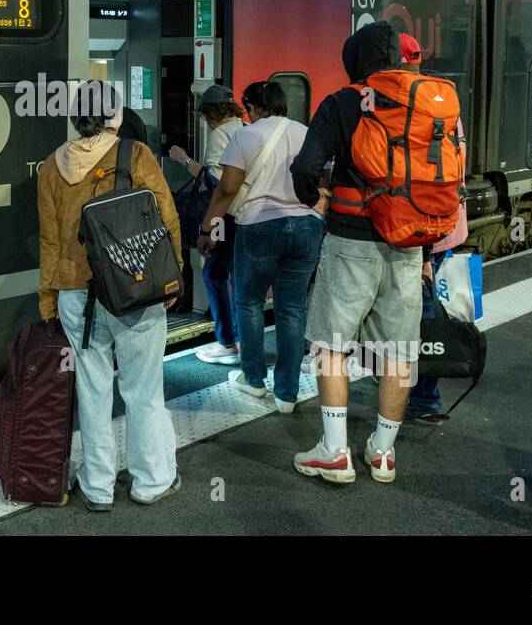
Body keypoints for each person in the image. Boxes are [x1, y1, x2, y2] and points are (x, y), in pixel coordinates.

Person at [37, 80, 183, 511]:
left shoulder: (50, 167)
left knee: (92, 391)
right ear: (113, 116)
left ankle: (98, 485)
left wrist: (48, 302)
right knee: (142, 390)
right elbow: (166, 216)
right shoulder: (134, 154)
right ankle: (151, 480)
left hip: (74, 294)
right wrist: (170, 280)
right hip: (134, 287)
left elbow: (48, 241)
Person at [289, 21, 420, 483]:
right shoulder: (424, 100)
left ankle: (335, 450)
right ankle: (383, 453)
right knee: (400, 350)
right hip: (408, 244)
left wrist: (315, 199)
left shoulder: (343, 103)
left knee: (331, 344)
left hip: (351, 241)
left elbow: (306, 166)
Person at [197, 81, 324, 413]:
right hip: (305, 227)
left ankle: (253, 380)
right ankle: (287, 393)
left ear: (253, 107)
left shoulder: (245, 136)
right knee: (292, 309)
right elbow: (324, 178)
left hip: (259, 226)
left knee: (250, 303)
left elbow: (226, 190)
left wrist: (207, 227)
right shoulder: (304, 132)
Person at [398, 32, 469, 425]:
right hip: (446, 226)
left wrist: (423, 253)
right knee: (425, 314)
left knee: (420, 318)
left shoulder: (406, 105)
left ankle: (424, 399)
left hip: (419, 233)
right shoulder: (444, 100)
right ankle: (416, 393)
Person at [168, 85, 246, 365]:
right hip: (247, 218)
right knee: (238, 279)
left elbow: (217, 182)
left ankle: (228, 341)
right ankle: (241, 341)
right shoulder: (246, 128)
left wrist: (184, 160)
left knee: (213, 274)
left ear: (211, 114)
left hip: (225, 217)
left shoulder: (220, 135)